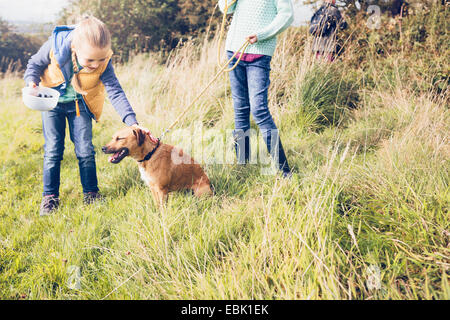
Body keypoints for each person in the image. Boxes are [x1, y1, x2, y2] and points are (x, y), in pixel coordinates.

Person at [24, 16, 150, 216]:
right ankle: (49, 197)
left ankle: (91, 194)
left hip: (80, 105)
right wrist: (31, 82)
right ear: (74, 48)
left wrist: (133, 123)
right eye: (90, 60)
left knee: (85, 151)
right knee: (53, 151)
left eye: (100, 59)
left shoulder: (103, 61)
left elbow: (115, 91)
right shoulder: (55, 46)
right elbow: (33, 65)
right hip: (52, 103)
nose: (95, 64)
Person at [218, 0, 293, 178]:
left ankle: (284, 170)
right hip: (234, 50)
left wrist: (262, 34)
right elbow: (225, 8)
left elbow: (287, 15)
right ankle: (243, 166)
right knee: (240, 110)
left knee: (259, 110)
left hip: (259, 53)